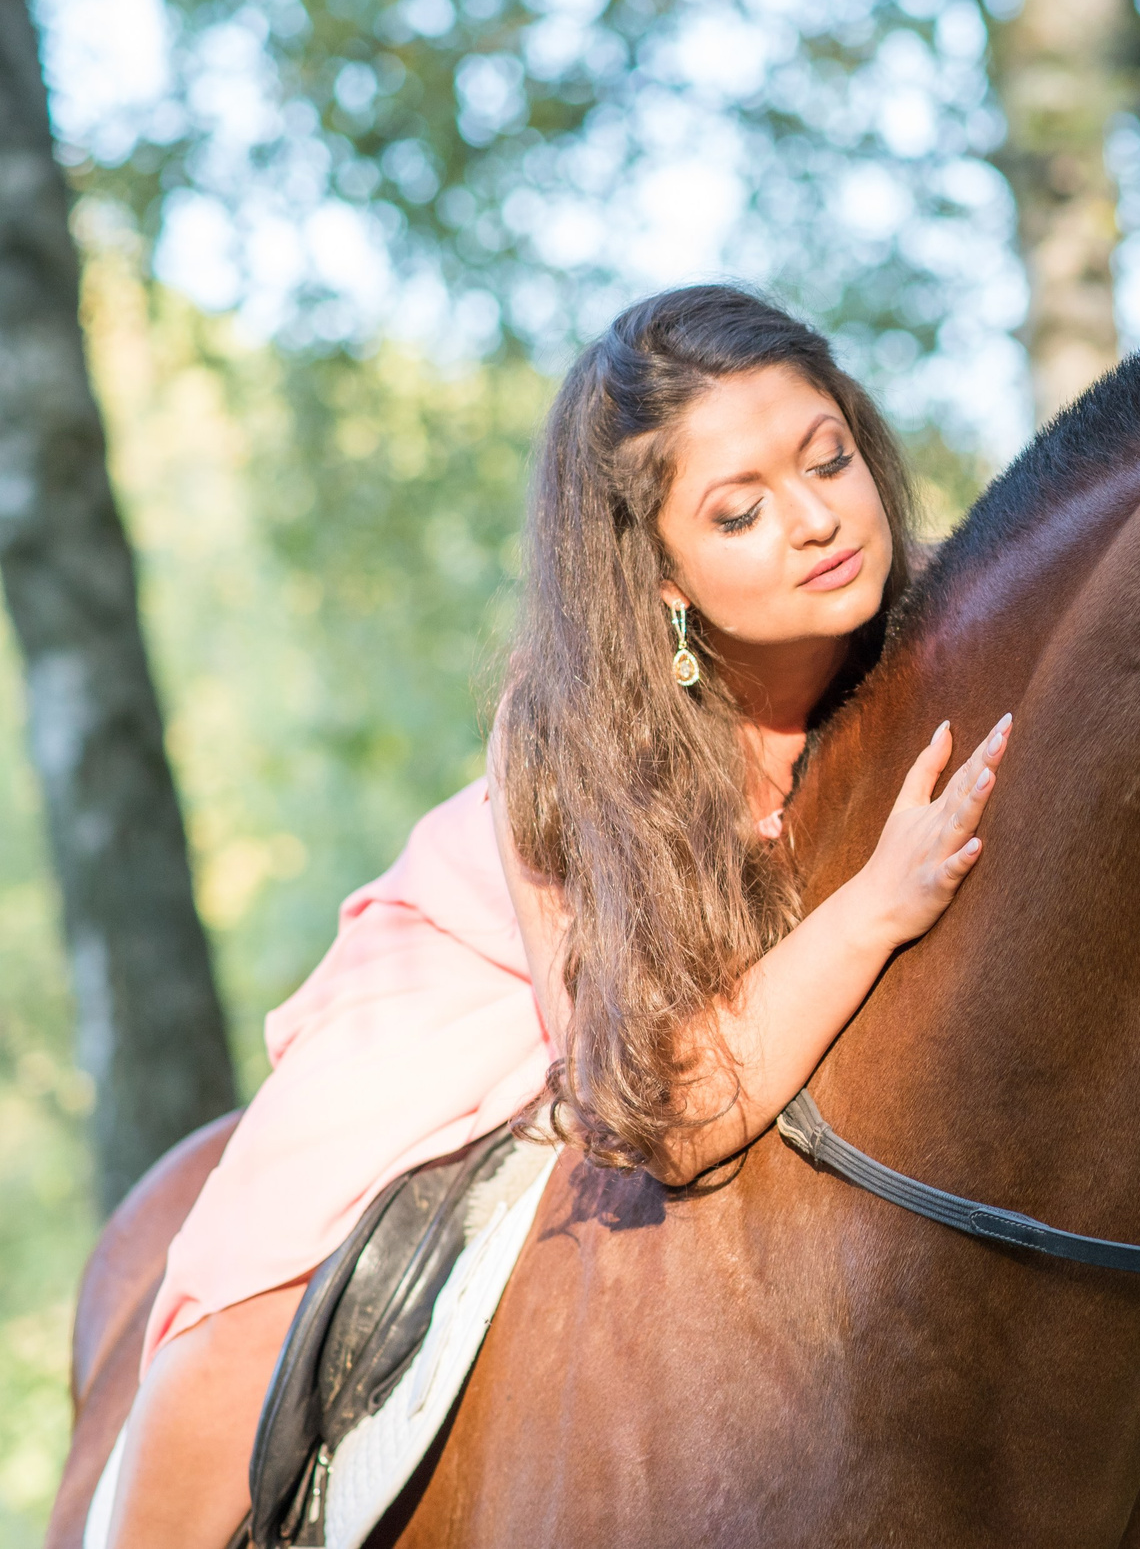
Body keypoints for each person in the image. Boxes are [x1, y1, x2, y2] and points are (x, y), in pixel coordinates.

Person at [103, 286, 1005, 1549]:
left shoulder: (940, 622)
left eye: (829, 457)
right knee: (237, 1332)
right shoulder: (570, 733)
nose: (814, 520)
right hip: (461, 996)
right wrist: (878, 902)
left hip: (736, 979)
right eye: (738, 511)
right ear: (661, 573)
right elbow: (672, 1116)